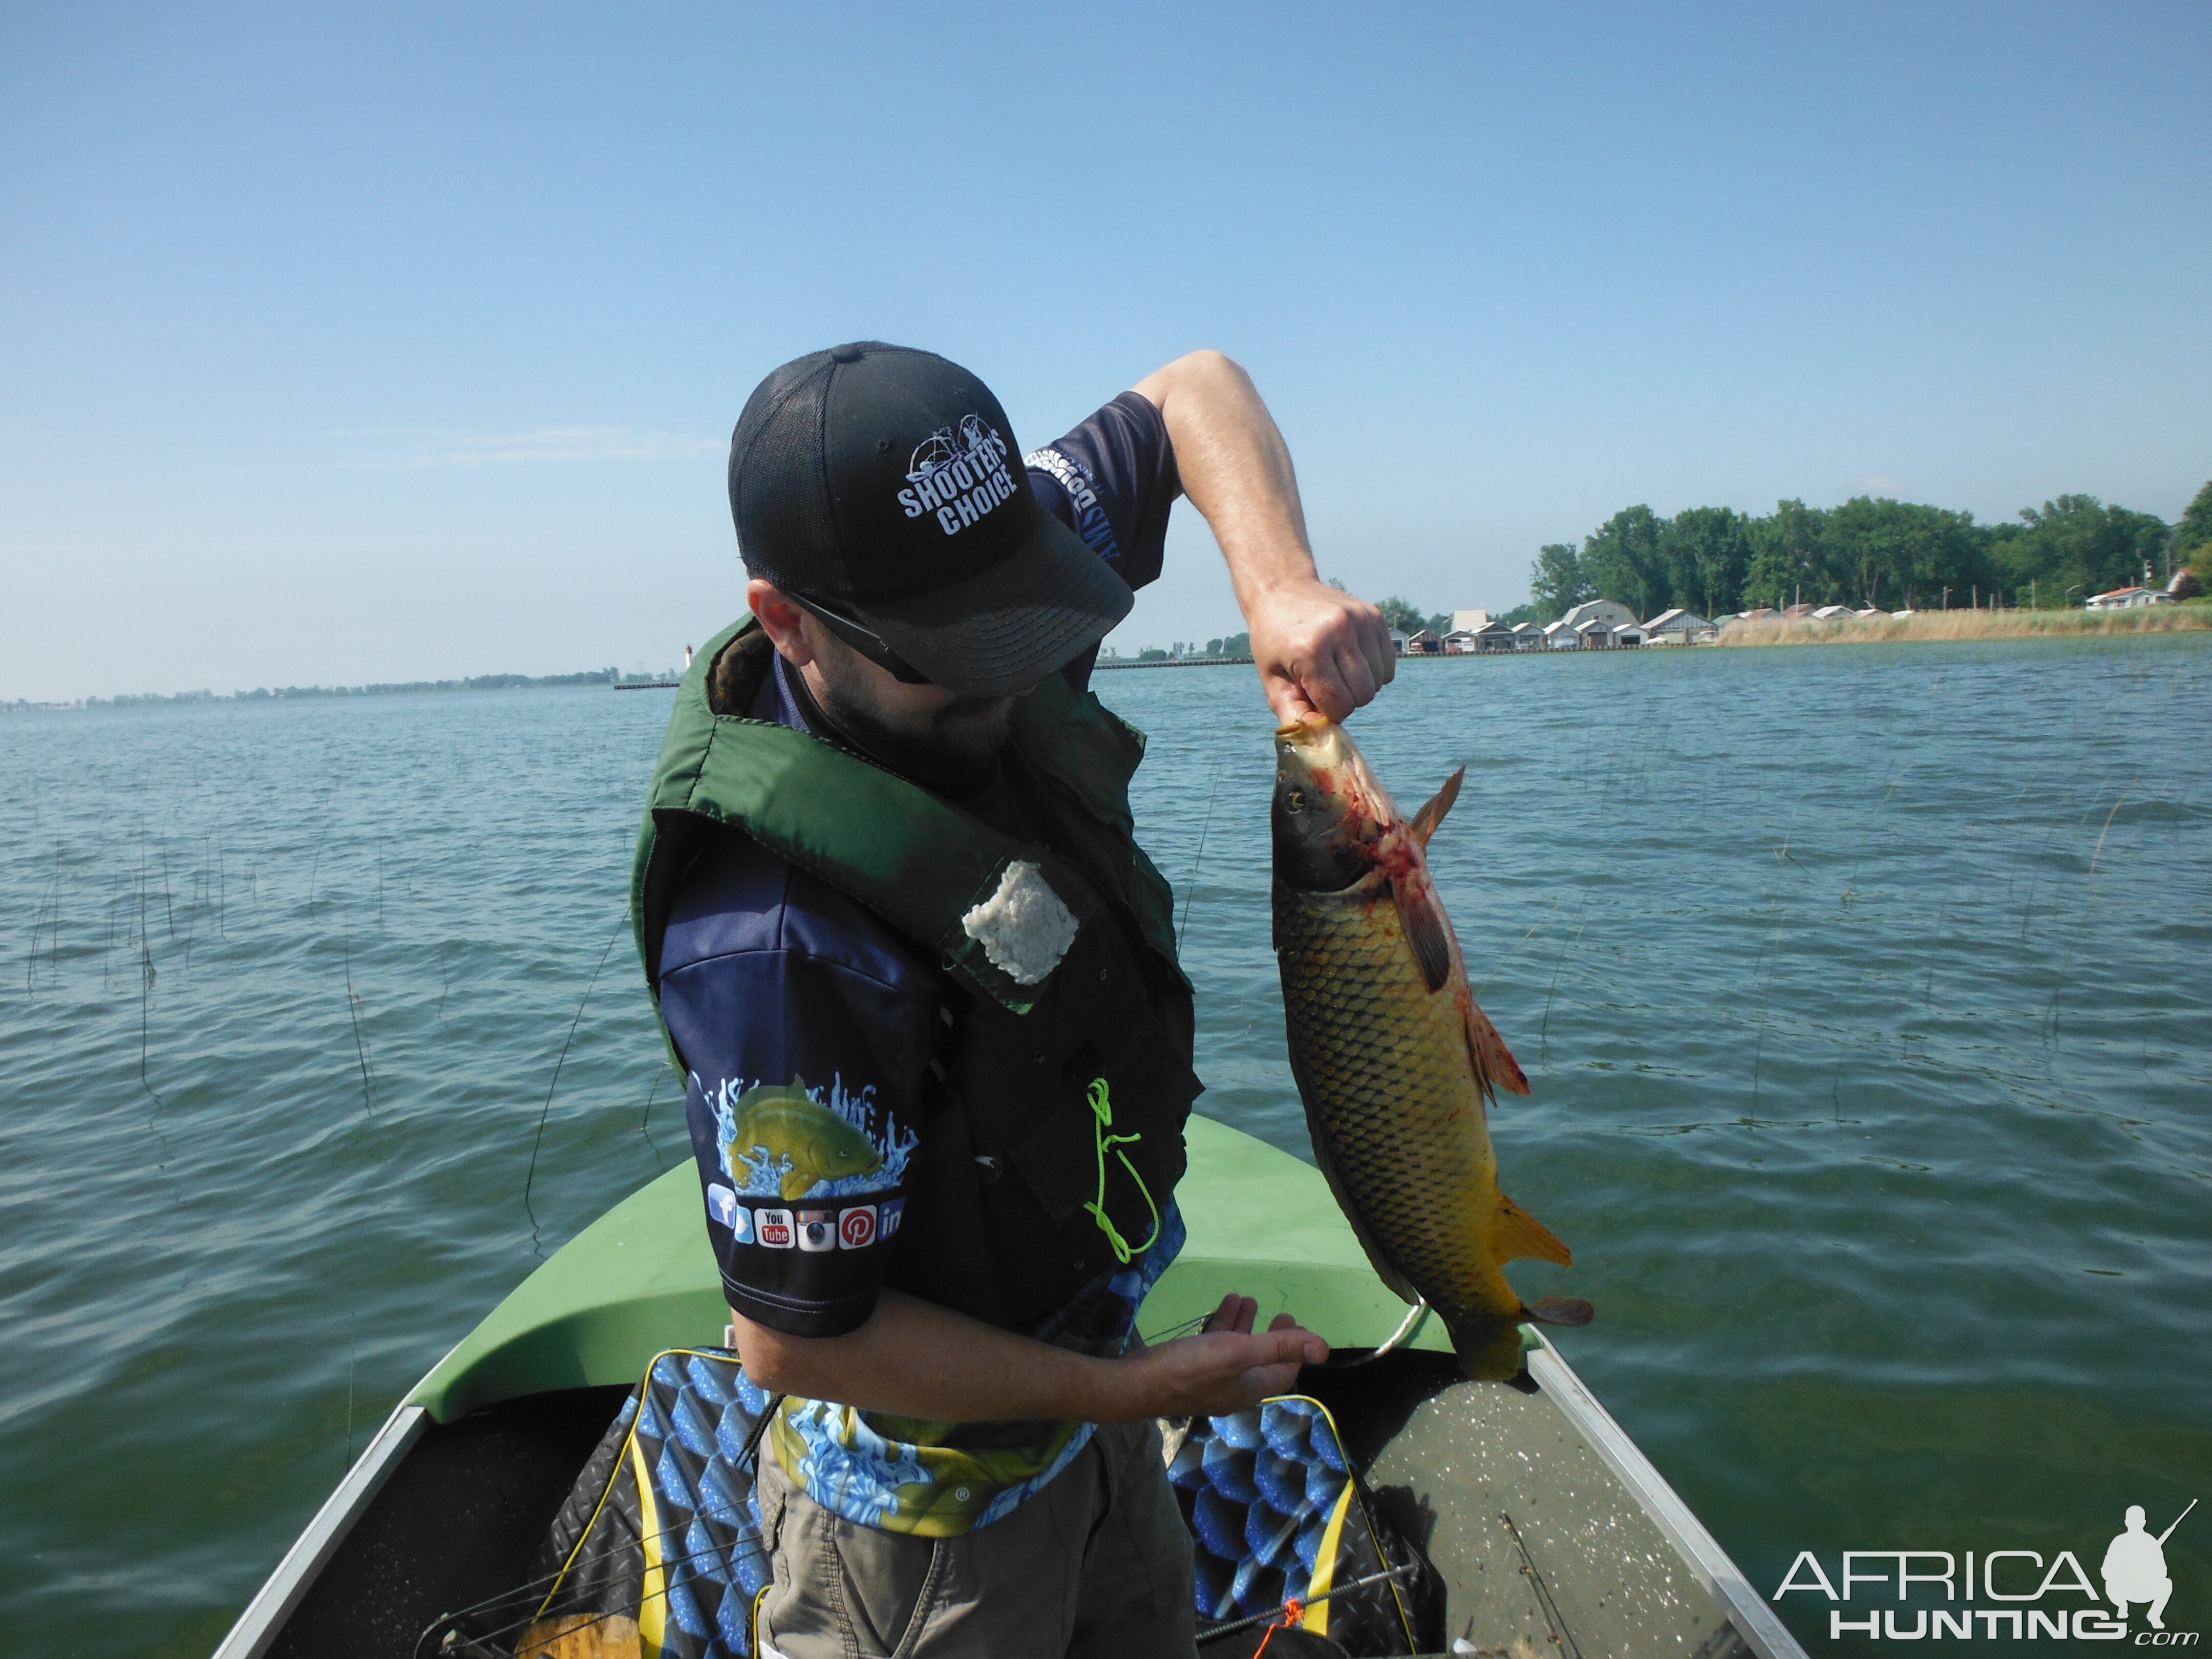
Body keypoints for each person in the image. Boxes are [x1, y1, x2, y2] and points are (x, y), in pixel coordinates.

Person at [631, 342, 1393, 1658]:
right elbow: (799, 1340)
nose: (1006, 676)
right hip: (924, 1534)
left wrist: (1277, 587)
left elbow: (1191, 391)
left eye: (1023, 616)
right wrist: (1135, 1386)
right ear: (788, 620)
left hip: (1095, 1429)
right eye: (953, 653)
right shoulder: (774, 946)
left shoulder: (967, 547)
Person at [2102, 1505, 2174, 1629]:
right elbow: (2106, 1571)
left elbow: (2163, 1572)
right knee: (2110, 1583)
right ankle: (2122, 1606)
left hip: (2145, 1589)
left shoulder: (2151, 1542)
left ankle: (2154, 1615)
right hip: (2122, 1590)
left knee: (2167, 1584)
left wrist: (2147, 1571)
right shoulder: (2119, 1541)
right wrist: (2123, 1573)